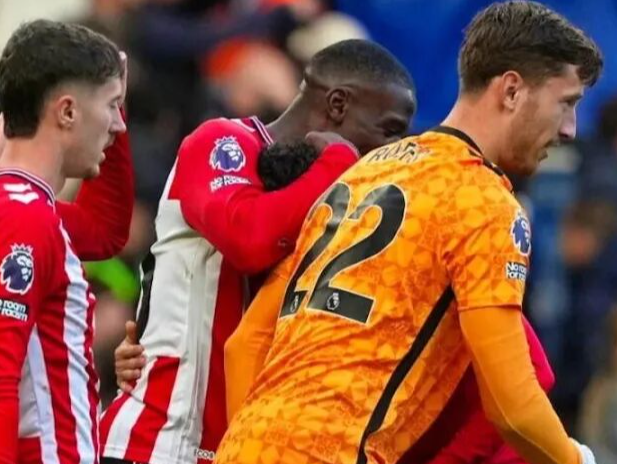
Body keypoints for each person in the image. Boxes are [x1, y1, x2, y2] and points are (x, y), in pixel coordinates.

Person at [215, 0, 602, 464]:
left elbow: (246, 343)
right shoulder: (482, 200)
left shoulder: (363, 174)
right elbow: (512, 406)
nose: (570, 129)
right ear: (512, 90)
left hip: (242, 448)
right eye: (566, 103)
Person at [99, 39, 416, 464]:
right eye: (389, 130)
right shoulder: (222, 141)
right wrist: (336, 164)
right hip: (159, 443)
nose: (394, 150)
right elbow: (247, 239)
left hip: (242, 449)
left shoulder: (334, 200)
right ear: (338, 104)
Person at [0, 19, 133, 464]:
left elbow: (104, 229)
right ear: (67, 112)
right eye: (111, 106)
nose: (118, 126)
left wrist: (113, 91)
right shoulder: (21, 217)